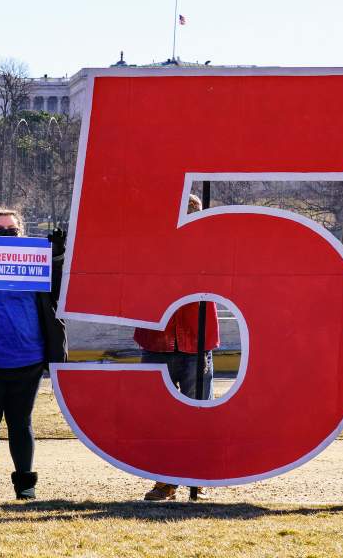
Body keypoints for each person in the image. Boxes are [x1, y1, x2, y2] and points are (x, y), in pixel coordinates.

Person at [0, 207, 67, 500]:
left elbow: (59, 291)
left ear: (21, 234)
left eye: (12, 231)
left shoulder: (36, 262)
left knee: (21, 423)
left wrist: (57, 256)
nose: (6, 236)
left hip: (28, 359)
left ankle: (25, 484)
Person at [133, 193, 220, 502]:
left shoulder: (211, 249)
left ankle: (198, 478)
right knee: (159, 418)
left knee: (199, 415)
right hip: (157, 341)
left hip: (196, 342)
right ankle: (164, 481)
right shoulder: (148, 248)